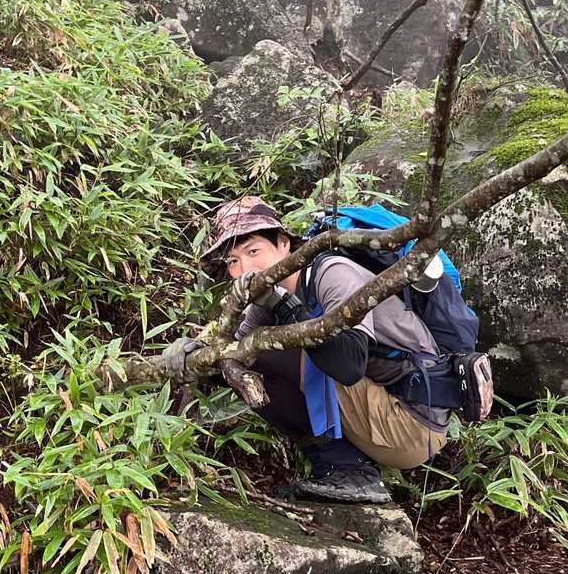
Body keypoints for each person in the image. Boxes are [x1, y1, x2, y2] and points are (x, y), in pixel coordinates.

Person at [175, 196, 454, 503]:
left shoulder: (332, 274)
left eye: (253, 251)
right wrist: (191, 353)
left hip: (411, 424)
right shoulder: (268, 296)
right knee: (249, 352)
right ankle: (338, 465)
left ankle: (349, 468)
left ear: (284, 244)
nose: (245, 269)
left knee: (269, 347)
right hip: (381, 407)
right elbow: (232, 354)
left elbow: (349, 366)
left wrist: (285, 307)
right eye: (232, 261)